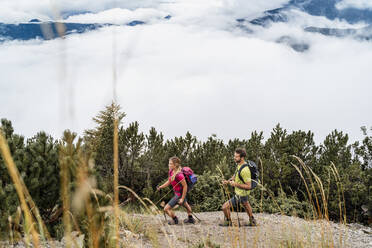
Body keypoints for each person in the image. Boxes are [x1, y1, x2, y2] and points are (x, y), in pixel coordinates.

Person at [219, 148, 257, 226]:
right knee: (246, 204)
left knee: (224, 207)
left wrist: (235, 184)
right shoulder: (239, 165)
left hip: (241, 194)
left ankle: (228, 222)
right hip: (242, 192)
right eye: (234, 156)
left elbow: (249, 186)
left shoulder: (245, 170)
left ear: (242, 158)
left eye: (236, 157)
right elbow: (235, 175)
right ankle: (252, 220)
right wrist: (228, 181)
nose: (234, 158)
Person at [157, 156, 195, 225]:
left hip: (179, 194)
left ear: (175, 165)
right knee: (186, 205)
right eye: (169, 163)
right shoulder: (171, 171)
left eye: (170, 164)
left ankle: (175, 220)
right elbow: (169, 181)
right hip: (178, 193)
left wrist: (182, 198)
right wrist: (161, 187)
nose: (169, 165)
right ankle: (191, 219)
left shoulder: (180, 175)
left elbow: (185, 186)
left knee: (166, 209)